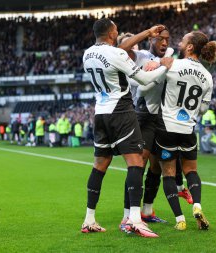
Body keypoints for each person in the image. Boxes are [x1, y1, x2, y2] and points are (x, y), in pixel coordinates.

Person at [80, 18, 173, 237]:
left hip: (100, 112)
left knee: (99, 165)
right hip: (121, 111)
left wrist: (147, 32)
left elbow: (119, 50)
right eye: (117, 30)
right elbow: (144, 79)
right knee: (135, 163)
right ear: (112, 33)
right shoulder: (117, 54)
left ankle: (89, 219)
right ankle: (134, 220)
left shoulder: (88, 54)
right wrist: (163, 66)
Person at [118, 26, 192, 228]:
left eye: (167, 39)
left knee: (157, 166)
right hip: (141, 115)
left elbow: (173, 58)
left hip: (160, 117)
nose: (165, 43)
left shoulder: (168, 54)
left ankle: (147, 211)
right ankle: (127, 217)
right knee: (137, 164)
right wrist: (160, 61)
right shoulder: (139, 56)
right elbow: (141, 86)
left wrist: (163, 61)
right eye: (160, 39)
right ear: (151, 39)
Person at [155, 31, 216, 230]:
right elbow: (203, 109)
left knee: (169, 174)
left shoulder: (173, 64)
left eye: (183, 40)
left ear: (190, 47)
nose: (180, 42)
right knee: (191, 171)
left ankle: (180, 220)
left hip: (166, 126)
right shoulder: (207, 76)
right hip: (188, 128)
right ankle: (197, 205)